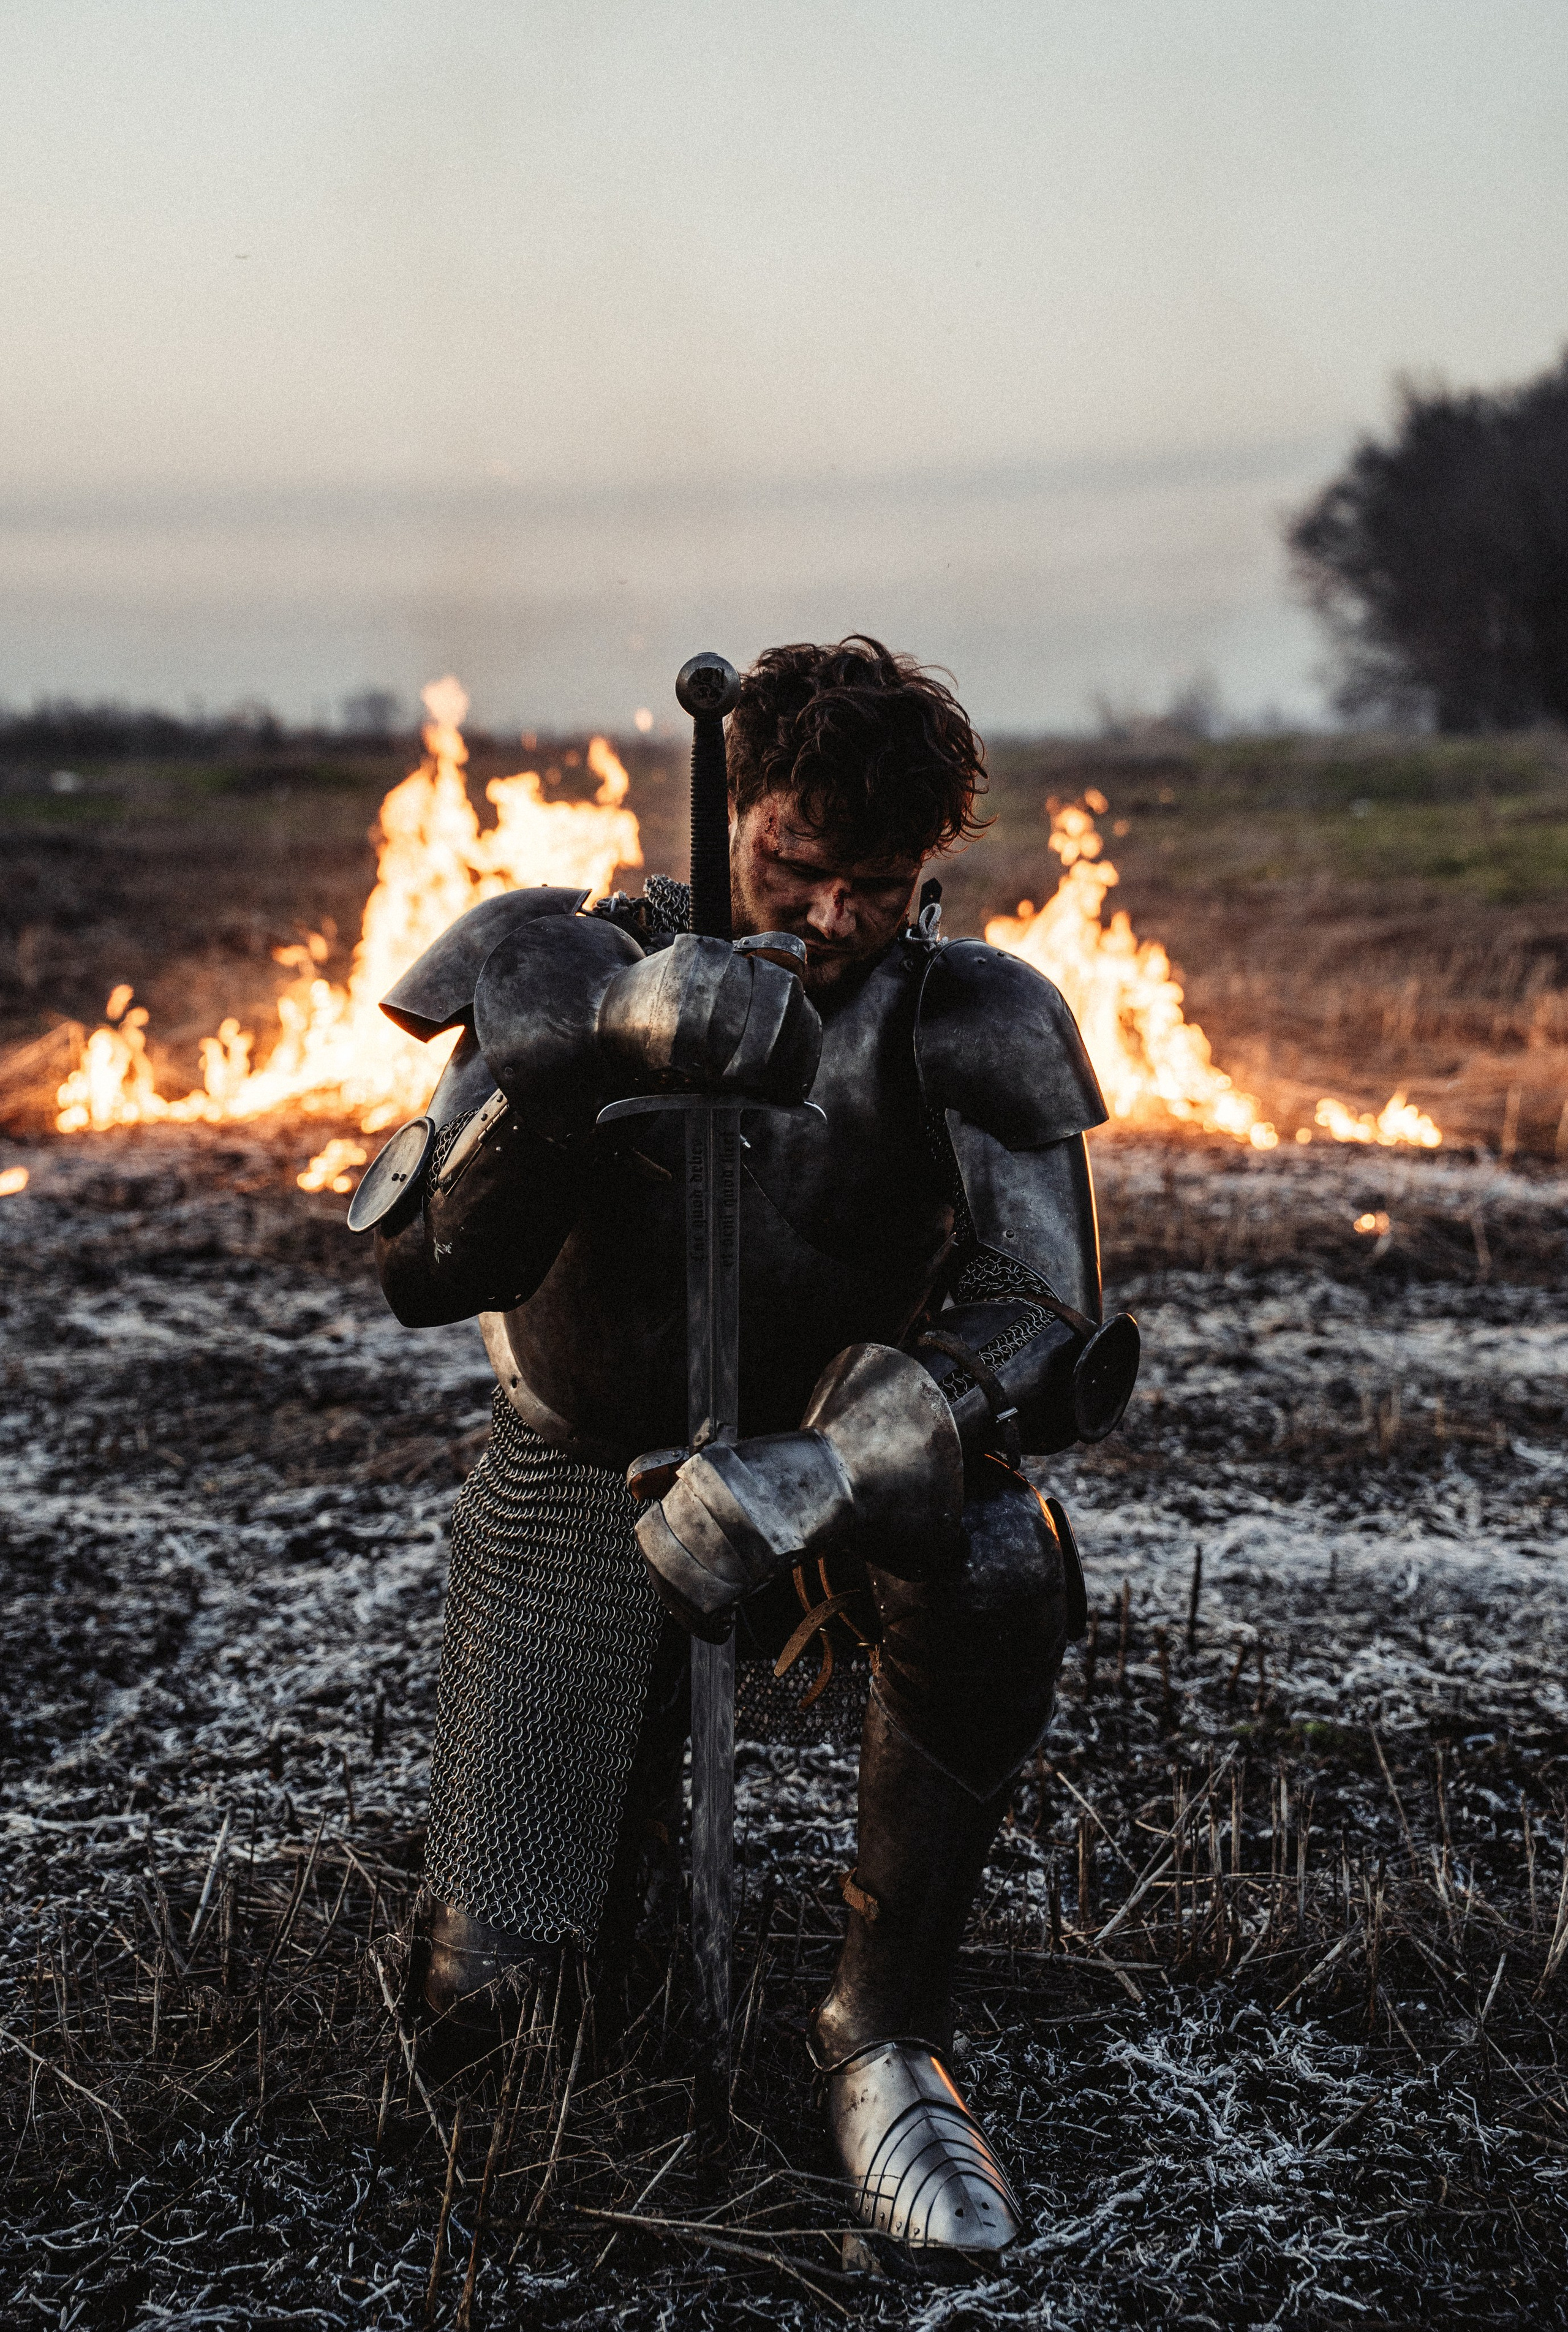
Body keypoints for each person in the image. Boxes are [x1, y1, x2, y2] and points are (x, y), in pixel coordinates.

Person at [355, 637, 1138, 2262]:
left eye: (888, 882)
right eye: (803, 865)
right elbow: (427, 1271)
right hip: (589, 1475)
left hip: (839, 1474)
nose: (845, 918)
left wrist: (833, 1467)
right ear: (728, 808)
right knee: (495, 2013)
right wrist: (593, 1057)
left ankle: (883, 2038)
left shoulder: (967, 1022)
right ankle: (581, 1906)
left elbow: (1040, 1314)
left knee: (1000, 1556)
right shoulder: (557, 964)